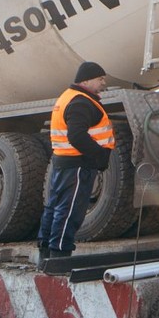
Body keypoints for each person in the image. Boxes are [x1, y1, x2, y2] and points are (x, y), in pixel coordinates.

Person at [39, 61, 115, 265]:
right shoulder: (81, 102)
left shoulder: (68, 97)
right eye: (100, 79)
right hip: (77, 165)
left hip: (65, 162)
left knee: (54, 207)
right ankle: (60, 257)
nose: (103, 83)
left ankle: (46, 254)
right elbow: (77, 135)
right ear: (87, 79)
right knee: (69, 211)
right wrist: (99, 156)